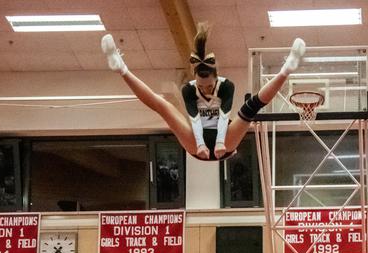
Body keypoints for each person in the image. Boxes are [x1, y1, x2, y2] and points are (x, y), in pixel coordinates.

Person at [101, 25, 305, 161]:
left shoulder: (226, 86)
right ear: (195, 79)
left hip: (225, 141)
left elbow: (224, 117)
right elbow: (195, 119)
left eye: (209, 86)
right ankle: (121, 68)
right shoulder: (189, 89)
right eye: (201, 86)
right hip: (196, 145)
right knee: (162, 105)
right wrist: (200, 145)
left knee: (250, 108)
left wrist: (218, 144)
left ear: (217, 78)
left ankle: (287, 68)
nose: (205, 90)